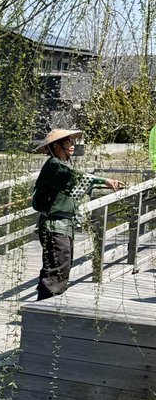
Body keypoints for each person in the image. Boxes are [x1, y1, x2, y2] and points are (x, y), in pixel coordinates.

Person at [31, 128, 123, 300]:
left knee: (60, 265)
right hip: (54, 226)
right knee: (57, 267)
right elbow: (77, 178)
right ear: (56, 146)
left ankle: (48, 304)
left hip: (63, 226)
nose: (72, 145)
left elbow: (76, 184)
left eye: (72, 142)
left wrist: (100, 184)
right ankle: (45, 308)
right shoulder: (55, 166)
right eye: (68, 142)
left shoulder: (61, 166)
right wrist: (104, 181)